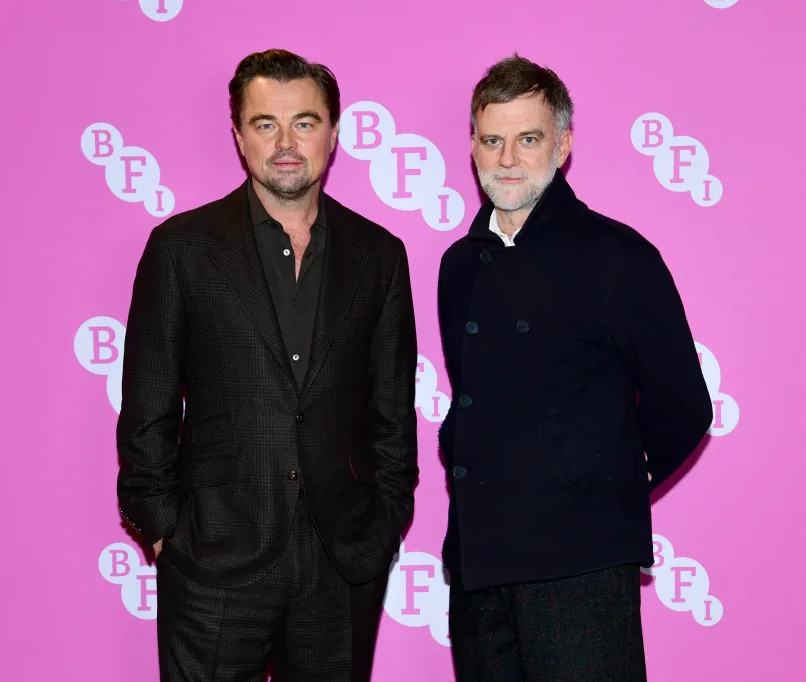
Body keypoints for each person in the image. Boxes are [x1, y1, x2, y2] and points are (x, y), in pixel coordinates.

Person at [115, 48, 419, 681]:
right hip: (214, 561)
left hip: (341, 564)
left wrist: (384, 522)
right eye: (265, 124)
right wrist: (168, 532)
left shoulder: (380, 256)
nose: (286, 142)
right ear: (238, 135)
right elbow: (148, 407)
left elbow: (392, 414)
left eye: (304, 122)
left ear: (333, 134)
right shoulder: (182, 249)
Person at [436, 54, 713, 681]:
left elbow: (685, 405)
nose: (507, 159)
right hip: (479, 565)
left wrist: (603, 472)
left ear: (562, 147)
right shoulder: (458, 265)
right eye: (492, 140)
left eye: (527, 139)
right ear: (474, 146)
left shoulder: (617, 257)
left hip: (579, 567)